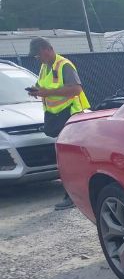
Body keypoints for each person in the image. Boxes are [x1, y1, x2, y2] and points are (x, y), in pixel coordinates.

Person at [27, 37, 90, 210]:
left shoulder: (64, 65)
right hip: (57, 118)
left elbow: (76, 89)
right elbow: (44, 87)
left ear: (47, 49)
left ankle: (73, 195)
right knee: (66, 158)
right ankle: (76, 193)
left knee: (69, 159)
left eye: (38, 54)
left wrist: (47, 92)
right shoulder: (44, 67)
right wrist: (37, 91)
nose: (37, 58)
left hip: (70, 115)